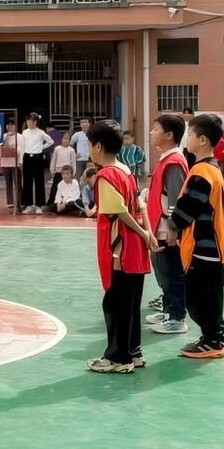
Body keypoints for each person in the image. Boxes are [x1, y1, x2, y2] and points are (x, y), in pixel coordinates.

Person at [170, 113, 224, 360]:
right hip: (211, 246)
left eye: (189, 134)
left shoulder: (201, 171)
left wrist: (172, 224)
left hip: (204, 246)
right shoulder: (211, 167)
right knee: (209, 295)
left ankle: (213, 340)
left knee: (201, 298)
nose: (186, 138)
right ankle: (214, 337)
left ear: (202, 140)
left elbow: (190, 205)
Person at [86, 120, 155, 374]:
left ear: (98, 146)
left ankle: (118, 357)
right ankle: (134, 353)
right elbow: (140, 205)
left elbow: (120, 211)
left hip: (120, 248)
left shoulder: (106, 176)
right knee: (131, 302)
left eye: (90, 144)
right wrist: (147, 232)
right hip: (136, 246)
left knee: (116, 303)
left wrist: (143, 232)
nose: (89, 150)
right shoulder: (126, 170)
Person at [145, 113, 190, 335]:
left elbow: (176, 198)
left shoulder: (173, 162)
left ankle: (176, 317)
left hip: (166, 230)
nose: (151, 132)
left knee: (171, 274)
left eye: (156, 129)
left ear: (170, 135)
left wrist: (173, 227)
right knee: (163, 273)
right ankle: (168, 310)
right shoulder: (166, 160)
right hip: (159, 228)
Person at [18, 112, 54, 214]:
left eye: (30, 120)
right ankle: (28, 205)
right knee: (27, 182)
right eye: (27, 120)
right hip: (27, 157)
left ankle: (39, 205)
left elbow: (51, 142)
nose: (28, 122)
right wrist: (20, 160)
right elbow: (22, 146)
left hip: (38, 157)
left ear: (35, 121)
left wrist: (41, 147)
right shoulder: (24, 132)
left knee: (39, 181)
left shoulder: (40, 132)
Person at [47, 133, 77, 209]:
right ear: (61, 139)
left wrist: (73, 173)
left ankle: (66, 203)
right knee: (55, 188)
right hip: (58, 172)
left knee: (67, 189)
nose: (65, 140)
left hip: (68, 173)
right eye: (64, 138)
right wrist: (52, 170)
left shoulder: (71, 150)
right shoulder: (57, 149)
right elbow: (53, 160)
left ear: (69, 140)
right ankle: (52, 204)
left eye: (67, 139)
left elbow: (73, 162)